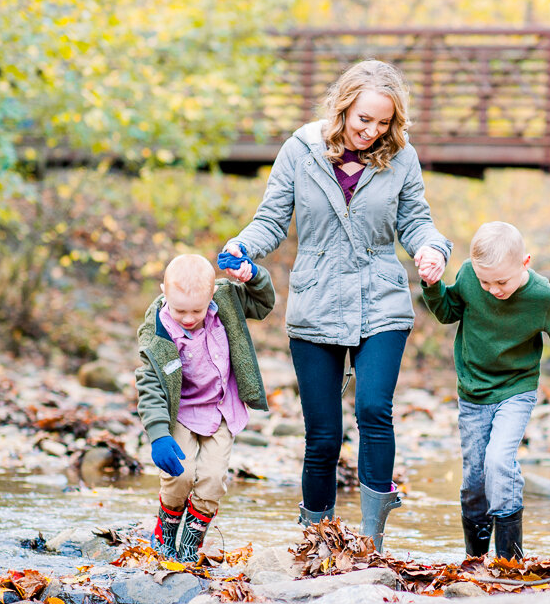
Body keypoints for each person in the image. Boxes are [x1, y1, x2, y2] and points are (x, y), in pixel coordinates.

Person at [221, 59, 451, 551]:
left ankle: (372, 541)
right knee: (323, 436)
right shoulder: (300, 150)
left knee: (373, 409)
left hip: (381, 298)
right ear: (343, 106)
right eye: (363, 119)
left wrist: (432, 249)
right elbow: (271, 219)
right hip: (317, 300)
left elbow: (416, 222)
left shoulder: (401, 156)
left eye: (383, 122)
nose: (371, 131)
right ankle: (315, 541)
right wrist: (242, 247)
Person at [420, 221, 550, 560]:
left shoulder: (543, 296)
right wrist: (432, 285)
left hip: (517, 389)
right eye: (486, 282)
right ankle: (475, 560)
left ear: (525, 263)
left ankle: (509, 561)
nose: (493, 289)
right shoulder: (472, 276)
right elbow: (447, 312)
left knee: (499, 461)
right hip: (473, 391)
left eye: (502, 281)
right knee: (474, 479)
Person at [134, 252, 276, 562]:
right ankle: (166, 534)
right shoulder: (158, 332)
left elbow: (264, 304)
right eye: (179, 309)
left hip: (222, 409)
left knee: (213, 480)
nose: (187, 318)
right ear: (164, 293)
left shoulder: (226, 301)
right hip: (182, 412)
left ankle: (190, 545)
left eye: (196, 310)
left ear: (211, 295)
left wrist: (253, 276)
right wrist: (158, 434)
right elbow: (149, 385)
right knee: (179, 476)